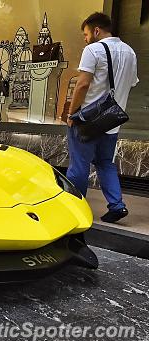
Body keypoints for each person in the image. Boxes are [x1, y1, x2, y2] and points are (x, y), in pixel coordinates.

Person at [66, 12, 139, 223]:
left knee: (79, 164)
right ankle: (117, 205)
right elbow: (131, 83)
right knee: (105, 163)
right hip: (111, 122)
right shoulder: (130, 53)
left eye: (86, 34)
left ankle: (75, 209)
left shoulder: (93, 50)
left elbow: (82, 84)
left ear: (97, 30)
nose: (85, 38)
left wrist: (72, 114)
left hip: (87, 120)